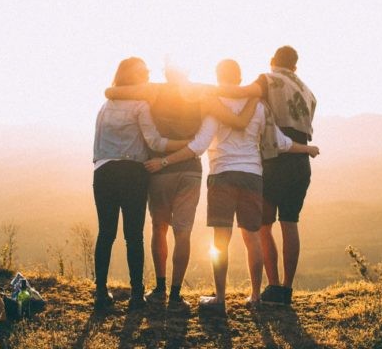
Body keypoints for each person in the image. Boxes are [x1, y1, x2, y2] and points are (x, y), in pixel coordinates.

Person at [145, 59, 319, 313]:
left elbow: (199, 145)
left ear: (218, 77)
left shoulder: (215, 105)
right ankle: (256, 297)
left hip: (222, 175)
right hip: (253, 176)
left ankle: (220, 299)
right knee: (252, 238)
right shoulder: (259, 106)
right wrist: (307, 149)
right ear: (240, 79)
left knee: (221, 240)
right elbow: (280, 142)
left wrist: (164, 161)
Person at [104, 66, 257, 309]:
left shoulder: (153, 91)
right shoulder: (203, 95)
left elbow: (111, 92)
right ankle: (176, 295)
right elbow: (237, 120)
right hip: (189, 171)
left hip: (159, 170)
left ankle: (160, 289)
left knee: (159, 227)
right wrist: (255, 92)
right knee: (182, 232)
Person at [216, 46, 317, 305]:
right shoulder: (308, 92)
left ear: (273, 61)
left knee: (263, 225)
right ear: (295, 65)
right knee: (290, 223)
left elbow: (240, 93)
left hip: (274, 159)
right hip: (300, 160)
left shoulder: (267, 79)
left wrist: (205, 92)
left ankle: (271, 286)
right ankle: (286, 288)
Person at [92, 57, 189, 311]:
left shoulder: (106, 105)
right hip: (133, 173)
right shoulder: (141, 105)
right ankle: (136, 296)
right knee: (133, 236)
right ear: (133, 77)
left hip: (103, 172)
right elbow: (155, 143)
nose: (147, 73)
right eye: (143, 71)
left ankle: (101, 293)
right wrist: (186, 144)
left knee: (106, 233)